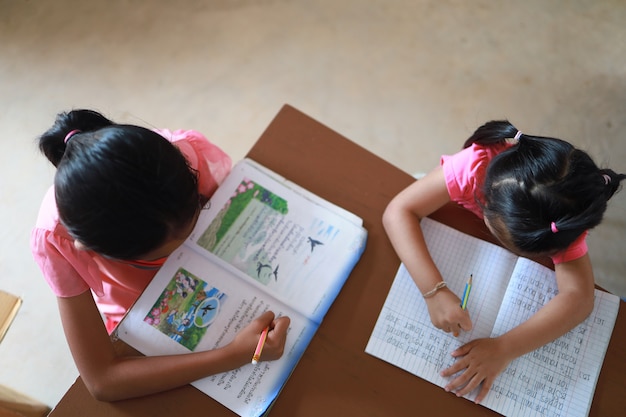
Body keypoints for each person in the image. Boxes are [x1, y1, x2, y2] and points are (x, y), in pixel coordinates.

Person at [31, 109, 290, 401]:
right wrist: (232, 355)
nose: (183, 252)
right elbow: (102, 380)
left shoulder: (180, 158)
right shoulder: (57, 240)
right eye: (160, 256)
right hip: (141, 317)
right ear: (90, 250)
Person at [382, 120, 625, 403]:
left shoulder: (562, 225)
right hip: (437, 189)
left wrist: (505, 348)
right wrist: (433, 291)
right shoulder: (472, 166)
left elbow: (579, 299)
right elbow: (398, 211)